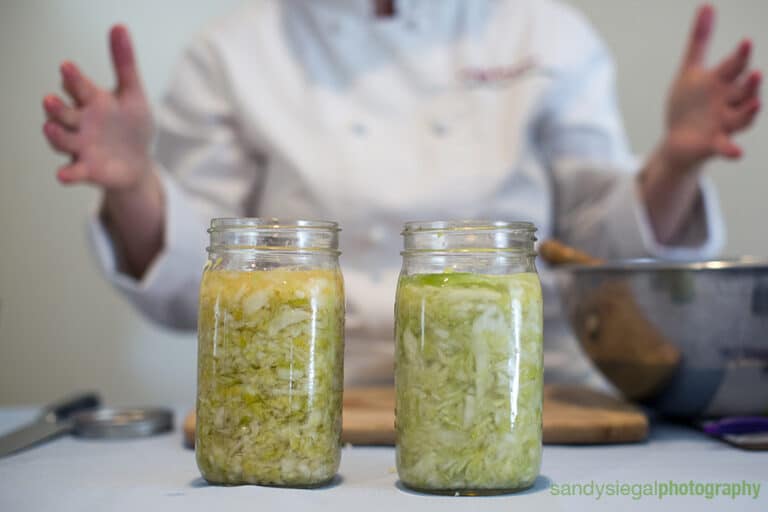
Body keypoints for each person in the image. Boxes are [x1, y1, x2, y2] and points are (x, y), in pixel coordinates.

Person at [42, 1, 761, 385]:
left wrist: (674, 164)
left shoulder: (547, 31)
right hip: (306, 388)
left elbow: (599, 255)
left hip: (521, 389)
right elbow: (195, 279)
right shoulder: (237, 48)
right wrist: (135, 183)